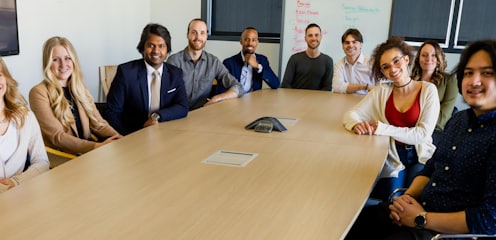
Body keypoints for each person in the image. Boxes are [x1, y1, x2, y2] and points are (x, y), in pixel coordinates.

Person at [345, 39, 496, 240]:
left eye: (487, 73)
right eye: (468, 73)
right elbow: (431, 168)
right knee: (349, 223)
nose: (474, 81)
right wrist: (406, 199)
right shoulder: (460, 120)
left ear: (407, 61)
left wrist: (420, 218)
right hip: (420, 207)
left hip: (439, 231)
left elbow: (488, 220)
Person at [343, 37, 439, 201]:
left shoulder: (428, 90)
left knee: (414, 200)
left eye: (396, 61)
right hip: (393, 156)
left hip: (421, 156)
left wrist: (382, 128)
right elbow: (350, 115)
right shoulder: (381, 91)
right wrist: (355, 125)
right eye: (386, 67)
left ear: (407, 59)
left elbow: (422, 135)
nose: (392, 69)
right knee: (392, 200)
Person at [30, 36, 122, 156]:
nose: (63, 64)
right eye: (56, 59)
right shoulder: (38, 92)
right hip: (64, 158)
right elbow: (57, 137)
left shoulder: (80, 87)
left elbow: (99, 123)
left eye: (67, 58)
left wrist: (119, 138)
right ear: (47, 63)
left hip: (88, 152)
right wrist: (96, 146)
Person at [106, 23, 189, 135]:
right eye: (151, 45)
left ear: (167, 49)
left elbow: (183, 107)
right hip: (132, 135)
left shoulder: (175, 74)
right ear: (143, 48)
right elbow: (112, 112)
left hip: (165, 133)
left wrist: (157, 116)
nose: (156, 51)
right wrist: (124, 138)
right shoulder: (126, 73)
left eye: (161, 46)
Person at [167, 18, 244, 110]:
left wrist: (216, 99)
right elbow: (167, 95)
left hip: (202, 114)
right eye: (194, 32)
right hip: (177, 114)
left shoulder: (213, 62)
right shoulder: (174, 61)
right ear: (187, 35)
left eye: (202, 33)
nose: (198, 37)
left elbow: (238, 87)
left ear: (206, 36)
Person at [0, 56, 49, 193]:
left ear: (6, 79)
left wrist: (16, 182)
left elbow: (42, 162)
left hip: (22, 196)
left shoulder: (26, 117)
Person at [411, 40, 458, 131]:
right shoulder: (410, 81)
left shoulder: (449, 80)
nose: (428, 59)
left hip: (435, 131)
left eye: (433, 55)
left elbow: (443, 118)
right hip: (409, 130)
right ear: (418, 59)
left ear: (438, 59)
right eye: (424, 55)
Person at [221, 27, 279, 94]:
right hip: (235, 100)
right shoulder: (229, 63)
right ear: (241, 41)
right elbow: (222, 90)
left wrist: (257, 66)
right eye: (246, 39)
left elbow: (275, 84)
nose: (250, 43)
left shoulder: (262, 60)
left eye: (253, 40)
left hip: (254, 101)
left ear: (257, 42)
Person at [281, 23, 333, 91]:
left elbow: (327, 88)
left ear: (321, 37)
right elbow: (285, 84)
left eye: (316, 35)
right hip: (296, 100)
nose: (313, 38)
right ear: (305, 38)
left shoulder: (328, 61)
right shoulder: (294, 59)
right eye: (310, 35)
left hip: (318, 100)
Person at [332, 28, 375, 94]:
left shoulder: (372, 62)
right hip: (345, 102)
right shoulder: (339, 64)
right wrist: (364, 86)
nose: (350, 45)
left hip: (368, 102)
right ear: (343, 46)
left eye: (354, 42)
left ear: (361, 44)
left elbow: (381, 87)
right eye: (347, 43)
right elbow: (336, 86)